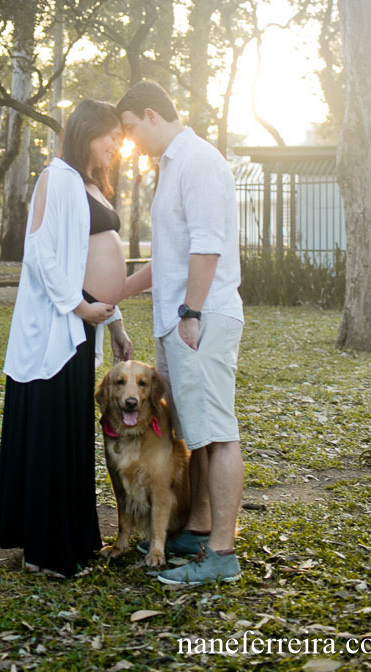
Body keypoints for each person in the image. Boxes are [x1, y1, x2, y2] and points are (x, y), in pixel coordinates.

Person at [0, 99, 137, 578]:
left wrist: (113, 323)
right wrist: (79, 307)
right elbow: (40, 253)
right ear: (84, 133)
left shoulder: (89, 183)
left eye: (119, 138)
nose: (116, 145)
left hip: (88, 323)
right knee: (54, 431)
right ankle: (46, 551)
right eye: (109, 136)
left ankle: (74, 538)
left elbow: (97, 258)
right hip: (60, 323)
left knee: (74, 431)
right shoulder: (56, 177)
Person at [117, 80, 244, 586]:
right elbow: (169, 256)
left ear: (151, 114)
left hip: (202, 316)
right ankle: (199, 529)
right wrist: (118, 293)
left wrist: (191, 312)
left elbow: (207, 247)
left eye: (130, 130)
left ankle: (222, 555)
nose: (131, 141)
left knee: (219, 431)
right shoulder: (170, 167)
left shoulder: (199, 161)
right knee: (199, 434)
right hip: (179, 320)